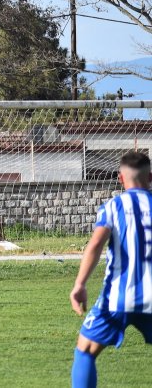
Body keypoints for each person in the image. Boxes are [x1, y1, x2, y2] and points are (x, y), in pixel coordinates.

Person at [69, 149, 152, 388]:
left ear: (120, 178)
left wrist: (80, 285)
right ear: (151, 177)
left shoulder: (113, 207)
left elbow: (96, 244)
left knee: (84, 350)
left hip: (118, 298)